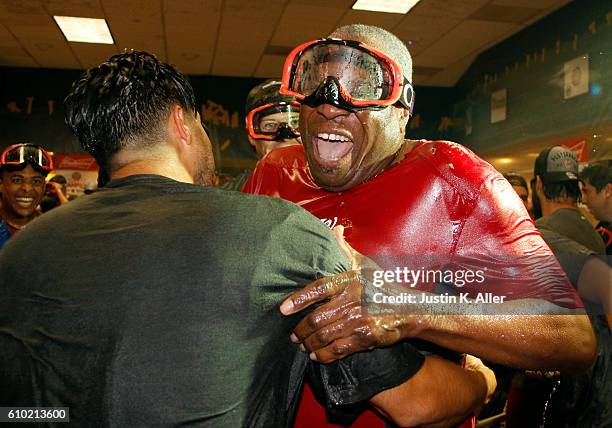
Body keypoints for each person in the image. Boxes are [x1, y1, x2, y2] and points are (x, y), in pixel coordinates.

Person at [0, 51, 492, 427]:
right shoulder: (280, 236)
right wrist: (480, 376)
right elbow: (415, 405)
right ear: (182, 123)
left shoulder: (22, 250)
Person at [243, 24, 596, 426]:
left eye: (363, 86)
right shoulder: (273, 173)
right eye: (314, 82)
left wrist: (410, 308)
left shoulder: (454, 180)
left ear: (403, 110)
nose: (330, 104)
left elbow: (572, 337)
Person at [505, 146, 611, 428]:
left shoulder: (536, 236)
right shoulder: (596, 234)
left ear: (539, 184)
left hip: (554, 388)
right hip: (593, 387)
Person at [222, 79, 302, 191]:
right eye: (270, 125)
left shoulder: (331, 193)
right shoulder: (230, 198)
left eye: (295, 122)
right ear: (251, 137)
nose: (285, 134)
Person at [0, 143, 53, 250]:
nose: (27, 188)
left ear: (43, 187)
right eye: (17, 180)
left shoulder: (54, 232)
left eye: (36, 181)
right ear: (1, 185)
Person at [581, 160, 612, 255]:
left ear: (607, 191)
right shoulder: (602, 232)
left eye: (586, 191)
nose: (583, 200)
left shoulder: (605, 235)